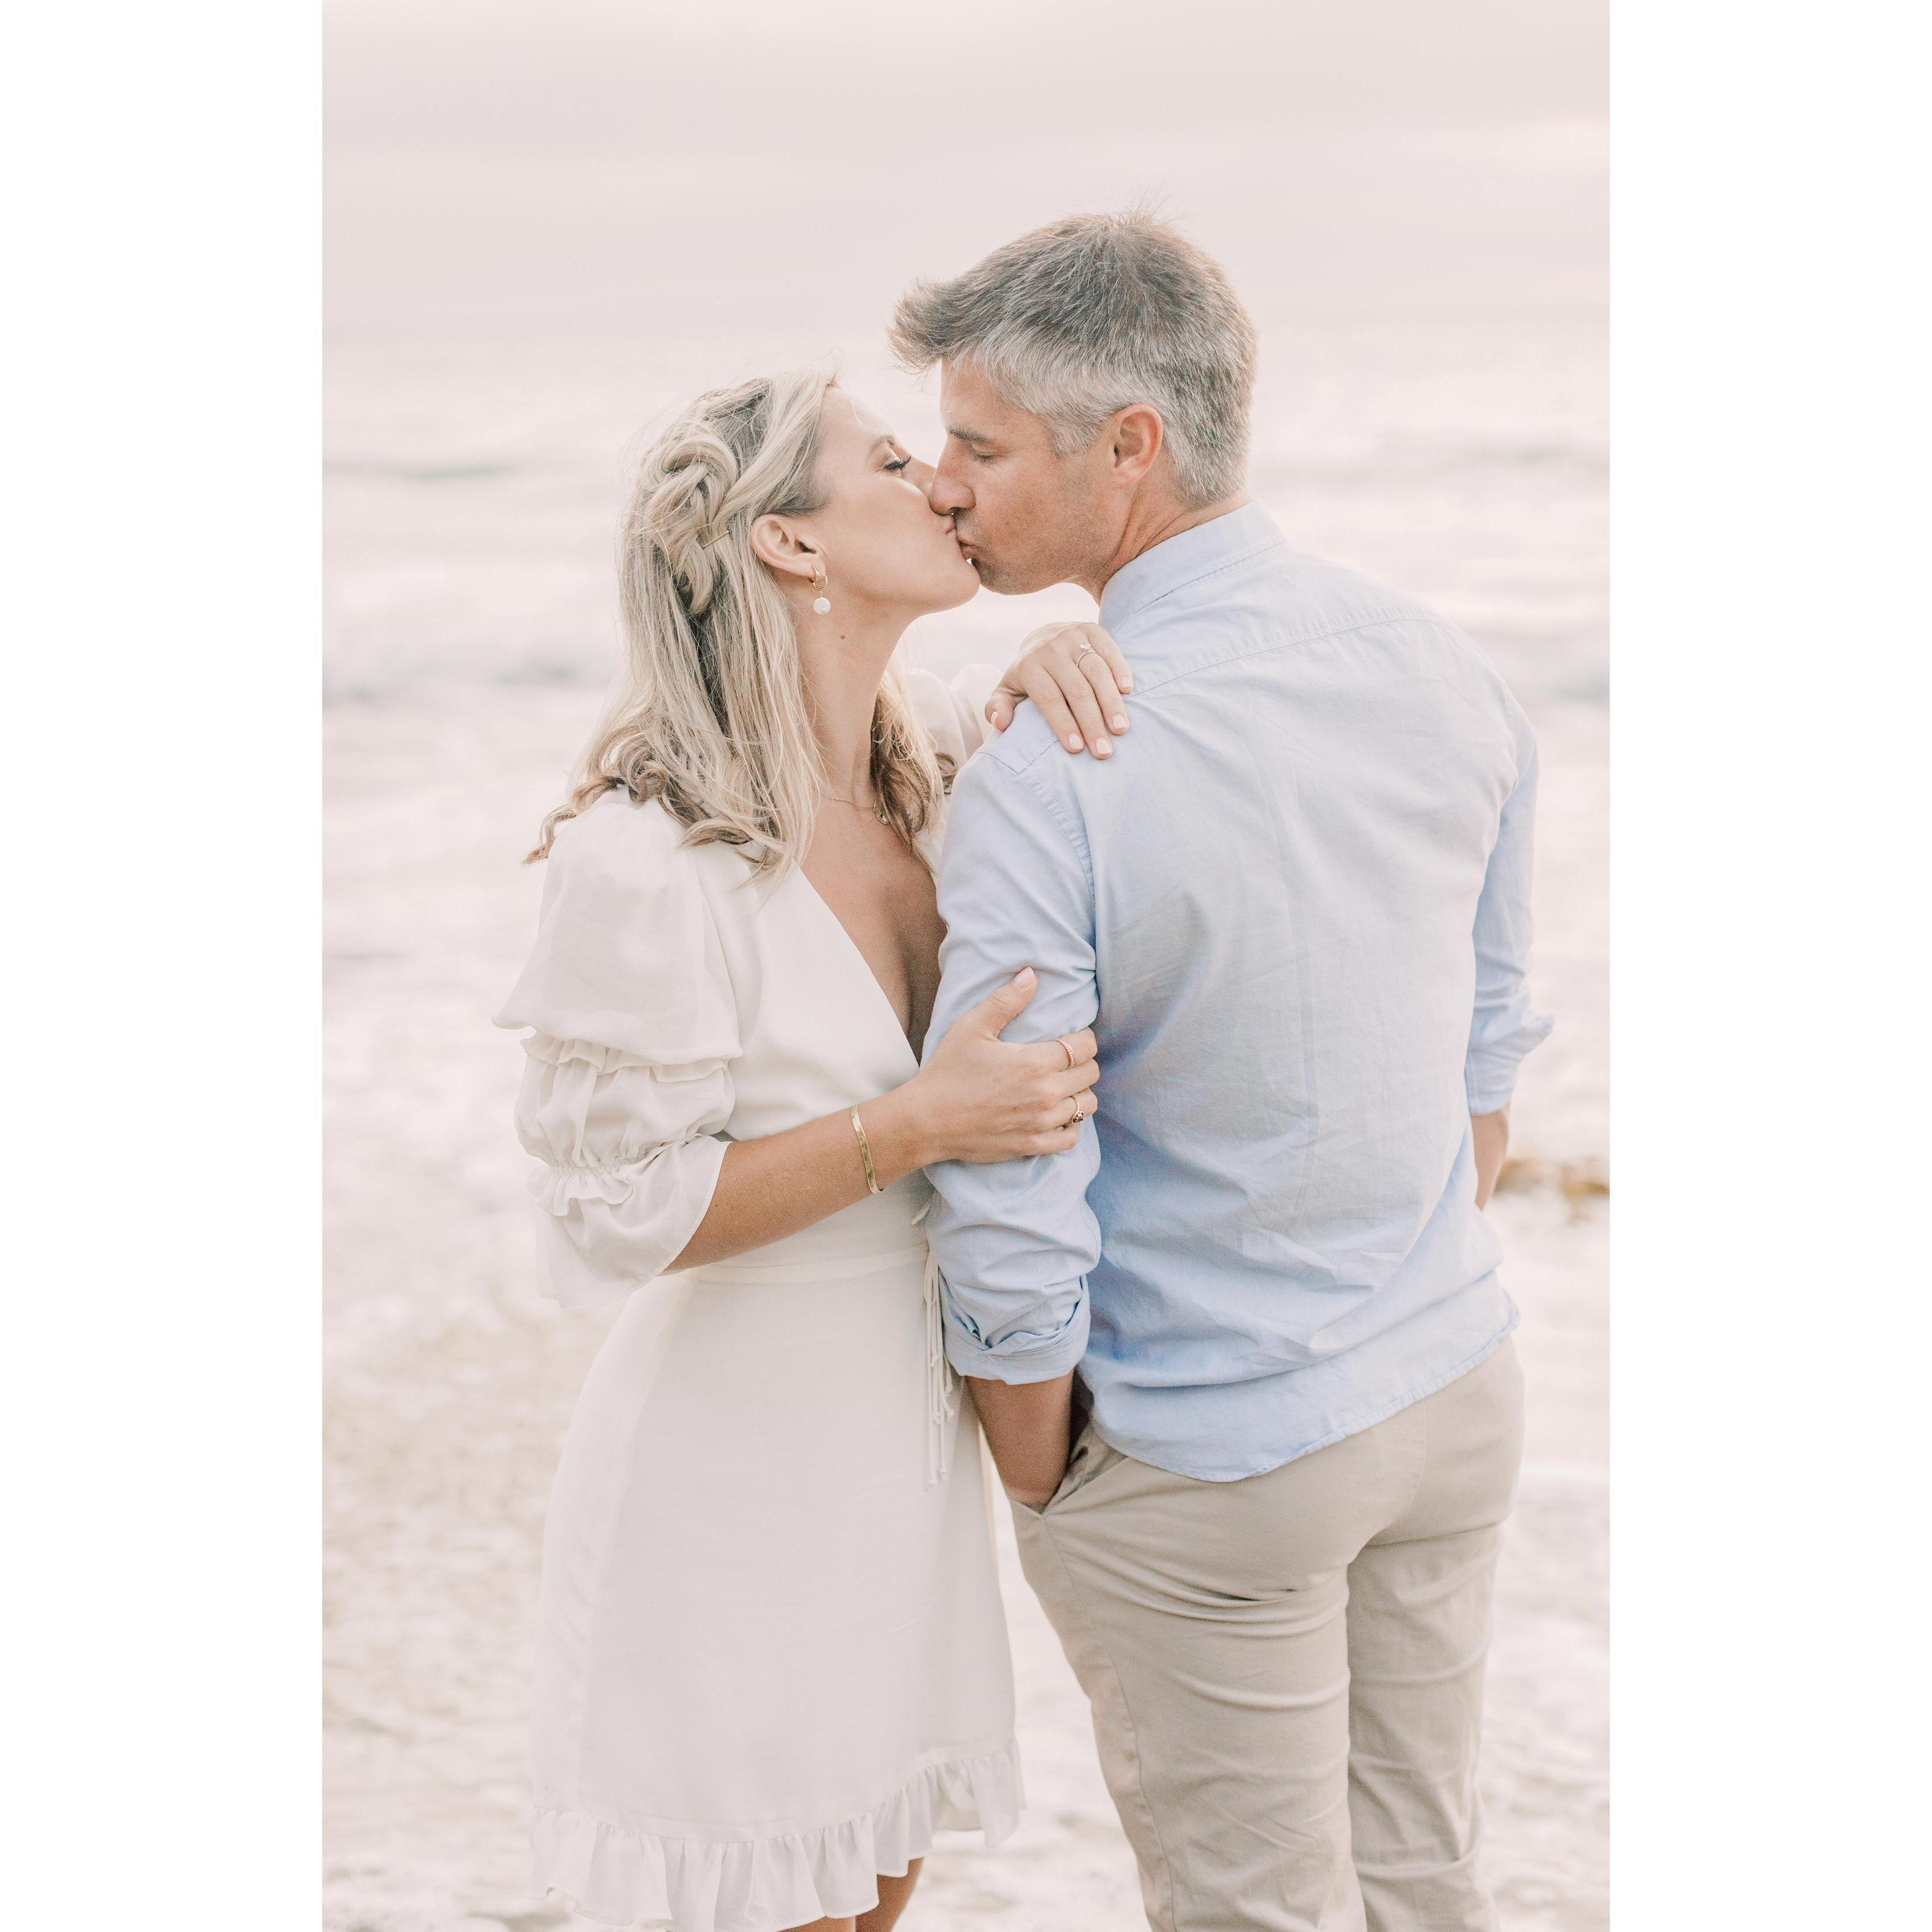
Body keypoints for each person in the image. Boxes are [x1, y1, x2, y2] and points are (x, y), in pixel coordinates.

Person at [897, 211, 1554, 1932]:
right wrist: (1392, 1278)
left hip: (1210, 1446)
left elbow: (1015, 1162)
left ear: (1129, 447)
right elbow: (1488, 1047)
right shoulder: (1441, 665)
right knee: (1425, 1887)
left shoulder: (1059, 762)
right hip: (1449, 1386)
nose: (943, 486)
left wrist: (1040, 1468)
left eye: (980, 447)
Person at [494, 369, 1125, 1932]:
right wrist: (917, 1125)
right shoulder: (652, 855)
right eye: (896, 462)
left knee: (871, 1903)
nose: (945, 484)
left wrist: (1056, 662)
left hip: (901, 1459)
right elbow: (618, 1209)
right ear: (789, 542)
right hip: (734, 1472)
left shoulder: (942, 777)